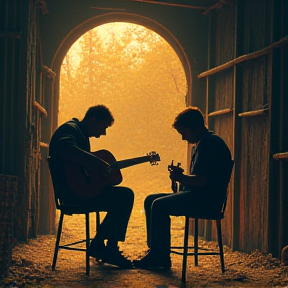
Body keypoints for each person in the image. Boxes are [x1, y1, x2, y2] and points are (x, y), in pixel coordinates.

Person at [133, 106, 232, 269]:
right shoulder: (206, 143)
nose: (183, 138)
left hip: (206, 200)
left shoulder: (210, 145)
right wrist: (183, 177)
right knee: (150, 199)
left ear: (193, 127)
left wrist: (181, 177)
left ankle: (160, 256)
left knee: (158, 205)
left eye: (183, 133)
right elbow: (201, 178)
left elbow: (201, 182)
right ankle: (155, 251)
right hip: (201, 196)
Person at [48, 104, 134, 269]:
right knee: (125, 196)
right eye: (103, 127)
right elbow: (64, 148)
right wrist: (97, 163)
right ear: (93, 119)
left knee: (121, 195)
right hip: (73, 194)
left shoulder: (79, 134)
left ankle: (100, 244)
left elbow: (82, 169)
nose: (103, 133)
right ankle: (107, 247)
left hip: (79, 191)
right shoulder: (70, 130)